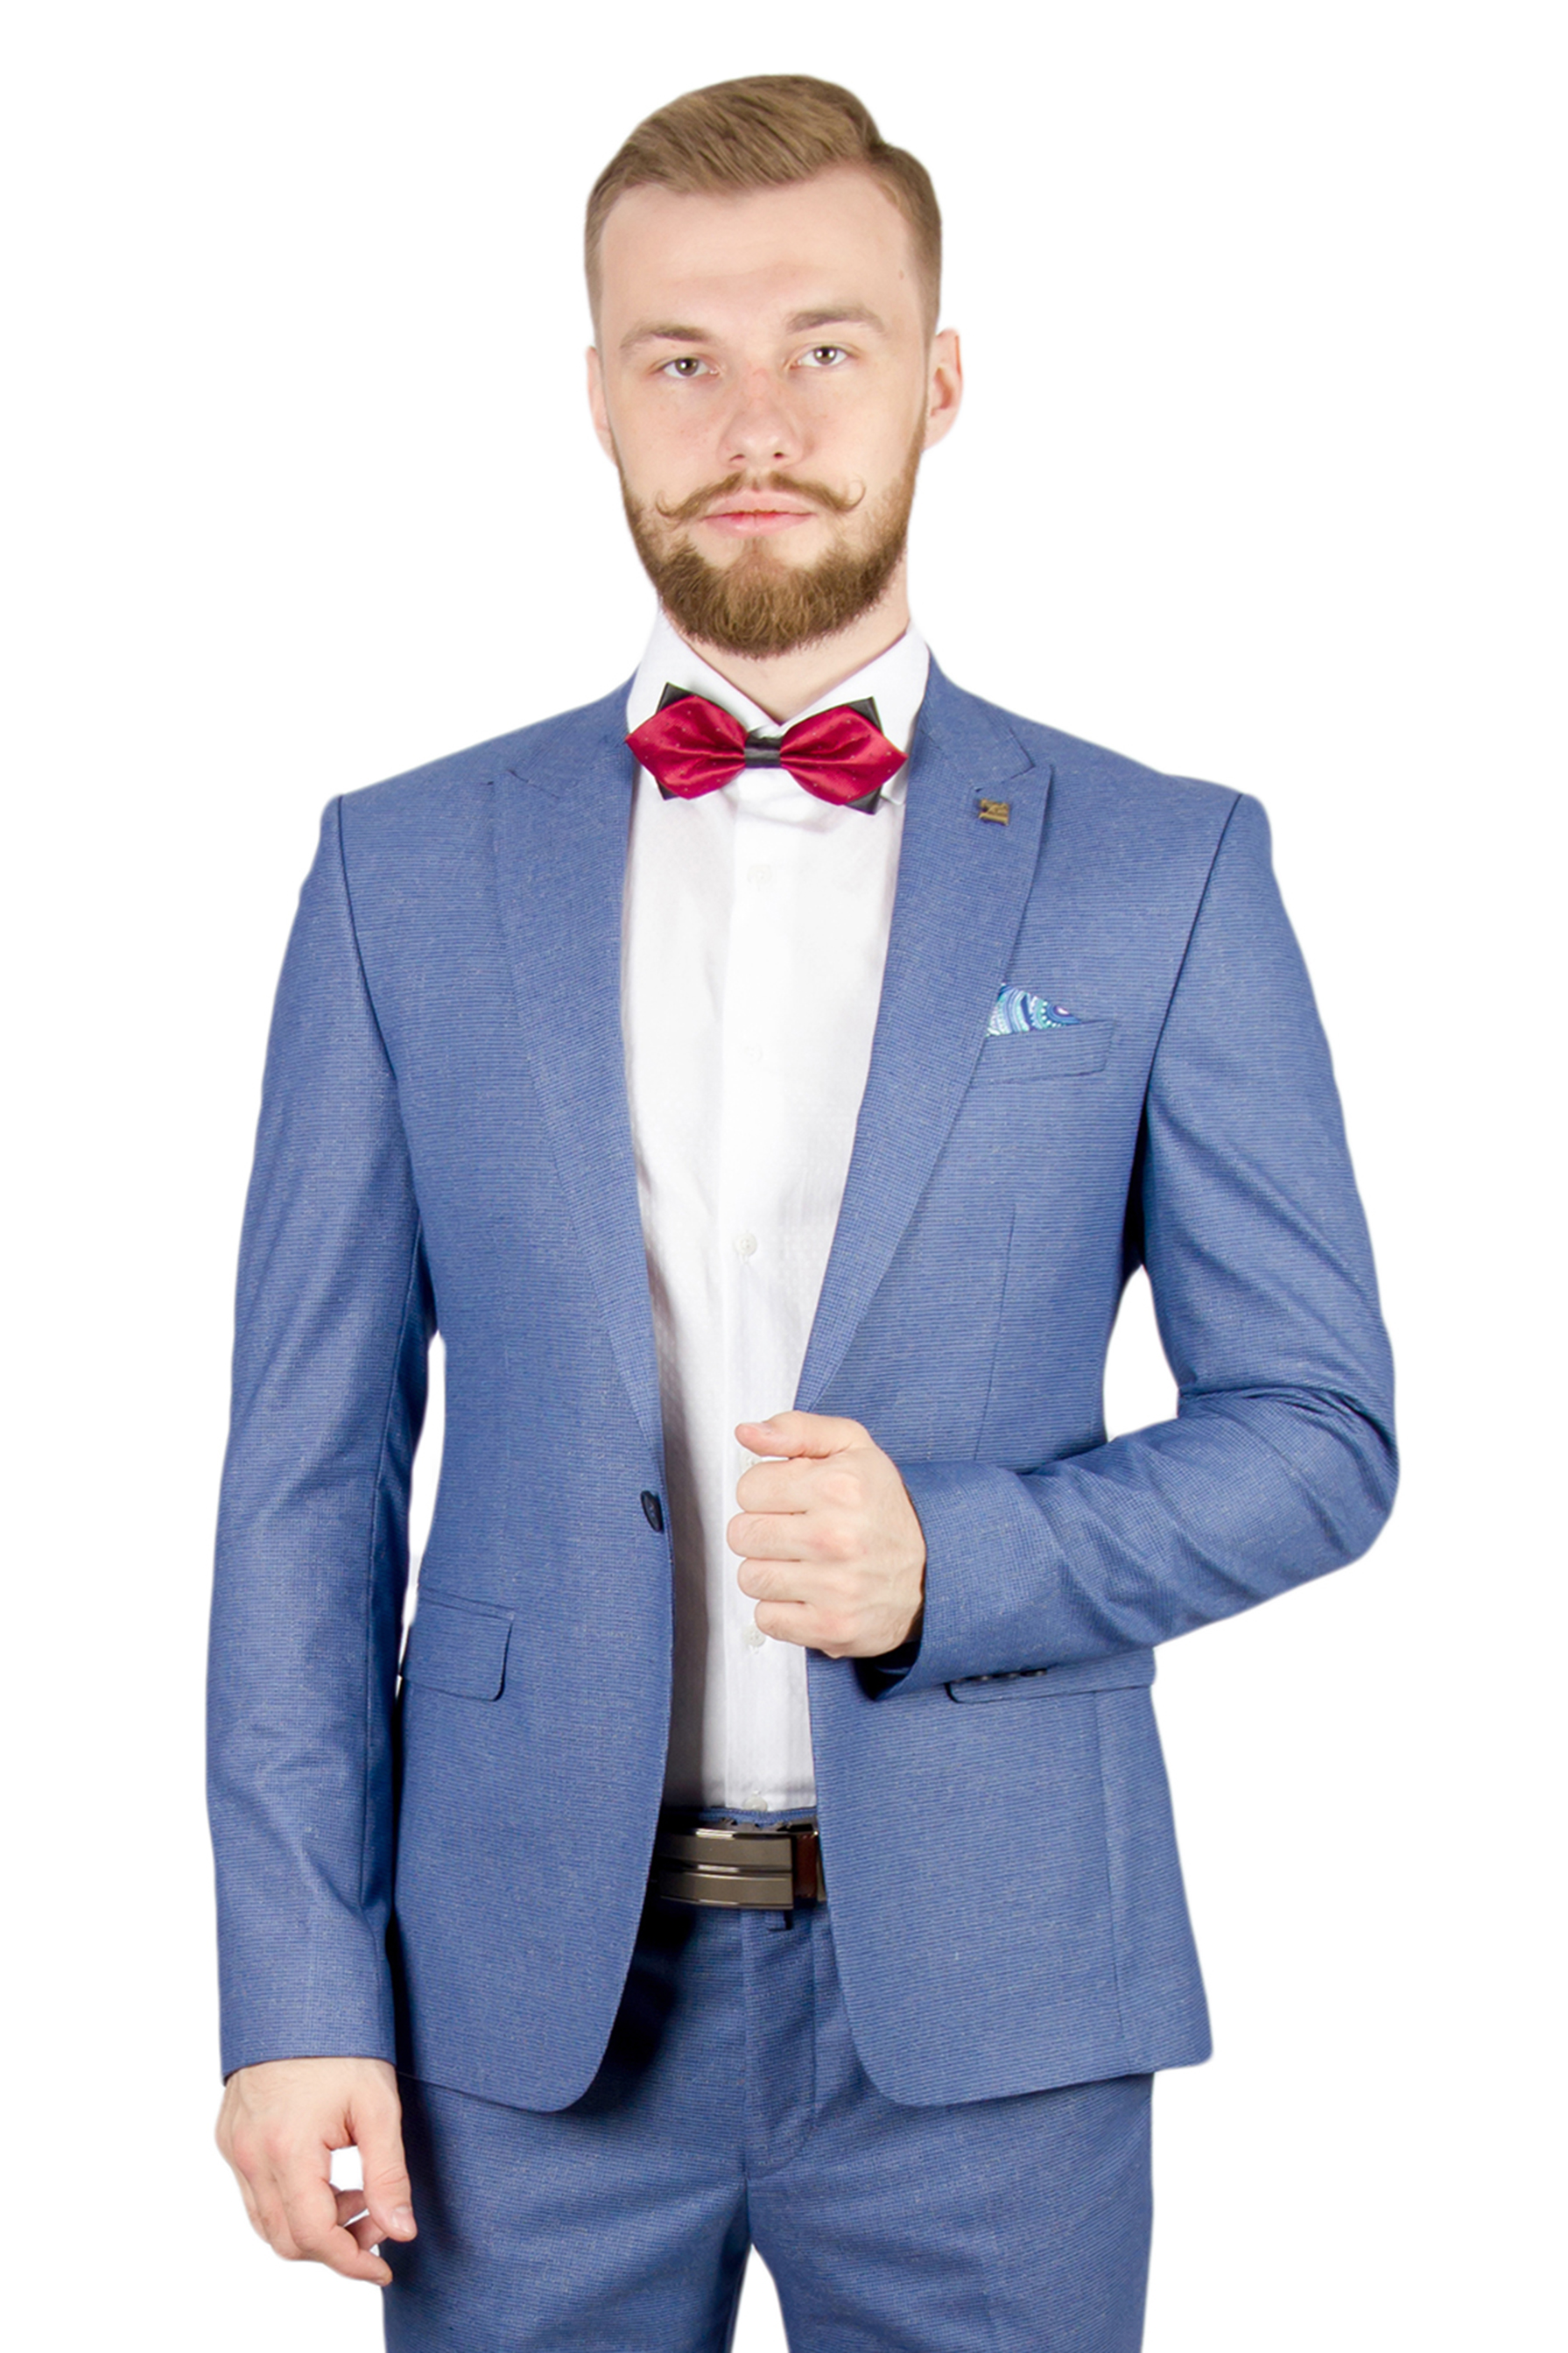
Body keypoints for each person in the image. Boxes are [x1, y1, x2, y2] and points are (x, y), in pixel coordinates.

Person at [207, 74, 1396, 2351]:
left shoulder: (1163, 871)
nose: (755, 423)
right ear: (595, 394)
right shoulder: (399, 874)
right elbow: (304, 1479)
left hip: (998, 2004)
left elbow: (1323, 1430)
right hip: (512, 2019)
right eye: (684, 358)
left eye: (825, 348)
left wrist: (960, 1556)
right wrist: (291, 1988)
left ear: (938, 381)